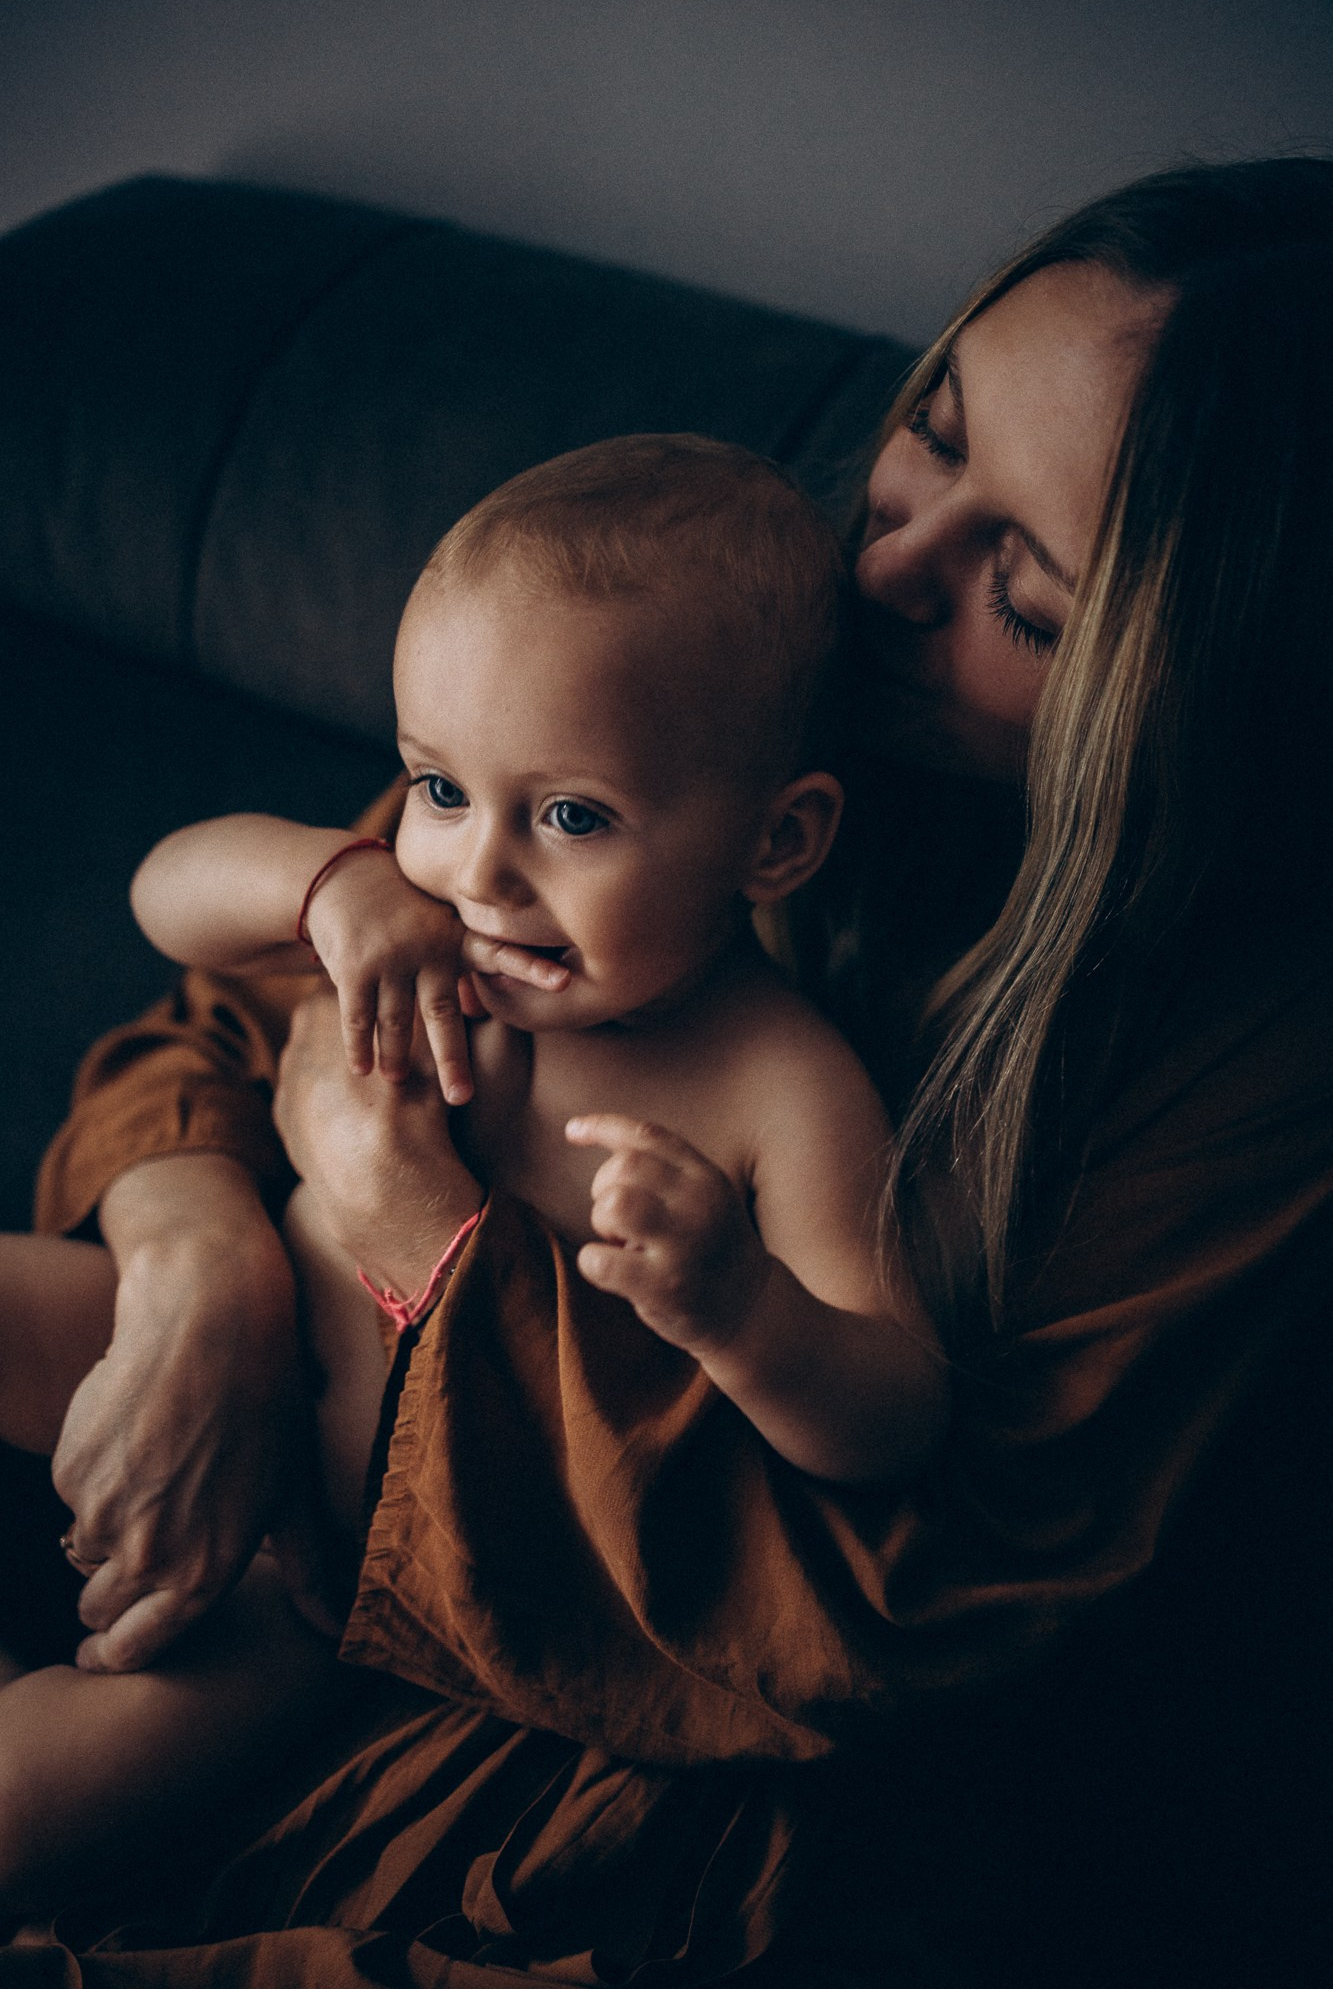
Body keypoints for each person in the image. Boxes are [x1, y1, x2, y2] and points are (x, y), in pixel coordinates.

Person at [9, 156, 1333, 1984]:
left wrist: (420, 1239)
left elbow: (901, 1593)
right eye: (927, 432)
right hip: (274, 1372)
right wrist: (197, 1275)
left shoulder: (1196, 1069)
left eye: (1020, 596)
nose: (879, 569)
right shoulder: (692, 650)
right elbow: (223, 1006)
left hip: (579, 1719)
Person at [0, 436, 947, 1910]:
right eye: (437, 783)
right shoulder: (419, 902)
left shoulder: (778, 1084)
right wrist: (334, 882)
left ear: (777, 838)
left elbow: (891, 1408)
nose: (482, 868)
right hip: (185, 1348)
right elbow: (168, 896)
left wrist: (738, 1306)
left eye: (571, 817)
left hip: (339, 1583)